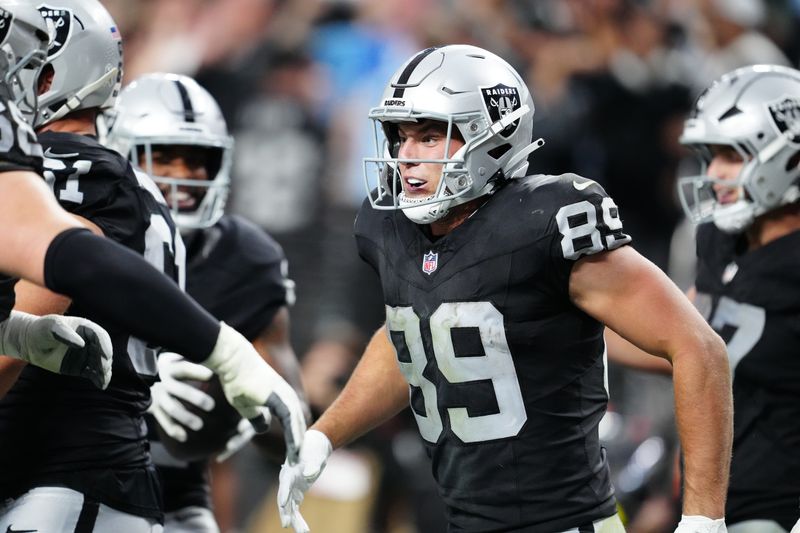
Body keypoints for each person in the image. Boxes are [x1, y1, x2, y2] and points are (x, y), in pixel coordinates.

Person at [276, 44, 733, 533]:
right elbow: (412, 339)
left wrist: (702, 518)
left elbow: (699, 348)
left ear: (491, 137)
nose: (406, 157)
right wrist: (326, 434)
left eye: (430, 136)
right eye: (399, 136)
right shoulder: (388, 227)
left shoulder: (546, 221)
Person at [0, 3, 304, 532]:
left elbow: (73, 258)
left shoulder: (68, 176)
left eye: (16, 65)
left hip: (64, 482)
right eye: (164, 157)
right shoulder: (110, 184)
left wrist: (227, 366)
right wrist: (19, 334)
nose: (180, 177)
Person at [105, 72, 307, 532]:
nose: (185, 175)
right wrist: (129, 391)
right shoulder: (80, 235)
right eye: (166, 157)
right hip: (58, 462)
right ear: (118, 155)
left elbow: (291, 421)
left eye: (199, 160)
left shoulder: (244, 259)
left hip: (172, 485)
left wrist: (247, 410)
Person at [611, 64, 800, 533]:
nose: (713, 173)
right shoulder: (721, 238)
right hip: (712, 494)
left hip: (778, 506)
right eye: (710, 155)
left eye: (731, 156)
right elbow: (685, 343)